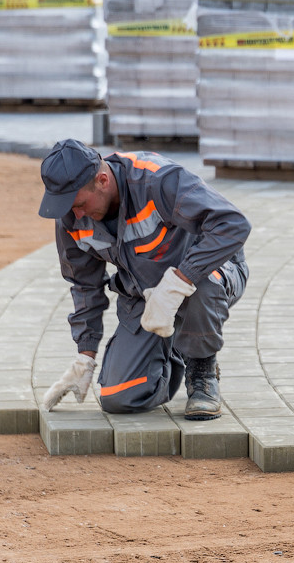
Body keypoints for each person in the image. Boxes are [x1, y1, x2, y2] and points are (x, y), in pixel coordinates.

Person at [38, 139, 250, 421]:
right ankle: (176, 348)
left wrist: (179, 281)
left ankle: (202, 370)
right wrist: (85, 357)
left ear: (102, 180)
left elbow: (233, 224)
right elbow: (84, 284)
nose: (76, 215)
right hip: (144, 292)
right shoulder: (71, 215)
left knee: (202, 284)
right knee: (119, 398)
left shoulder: (156, 180)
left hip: (208, 274)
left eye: (78, 204)